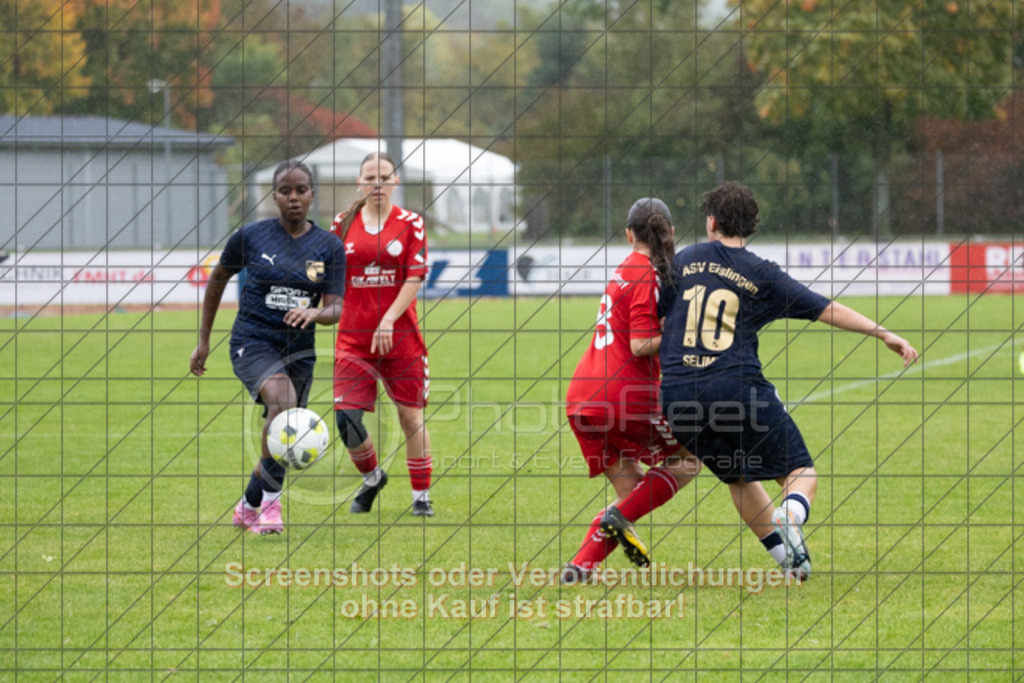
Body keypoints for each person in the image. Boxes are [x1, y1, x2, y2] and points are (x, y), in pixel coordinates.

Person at [659, 182, 919, 578]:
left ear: (711, 222)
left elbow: (657, 317)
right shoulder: (762, 273)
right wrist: (883, 333)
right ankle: (791, 514)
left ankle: (790, 564)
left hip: (677, 396)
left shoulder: (684, 260)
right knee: (800, 472)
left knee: (737, 477)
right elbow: (826, 309)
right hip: (735, 388)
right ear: (752, 226)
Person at [190, 160, 345, 535]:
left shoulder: (329, 246)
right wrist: (204, 339)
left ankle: (247, 506)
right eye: (285, 190)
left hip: (299, 351)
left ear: (312, 194)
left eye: (301, 190)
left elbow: (335, 308)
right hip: (253, 340)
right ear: (274, 196)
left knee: (284, 427)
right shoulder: (250, 237)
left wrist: (314, 312)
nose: (293, 197)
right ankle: (271, 509)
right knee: (283, 404)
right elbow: (217, 280)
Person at [561, 198, 705, 584]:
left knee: (632, 493)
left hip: (582, 397)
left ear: (629, 235)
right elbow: (641, 345)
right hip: (624, 395)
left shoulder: (624, 269)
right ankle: (612, 520)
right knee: (691, 459)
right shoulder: (648, 274)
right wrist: (685, 333)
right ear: (670, 233)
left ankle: (580, 567)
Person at [331, 151, 435, 517]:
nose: (378, 183)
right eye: (370, 177)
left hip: (401, 338)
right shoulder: (341, 223)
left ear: (396, 181)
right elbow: (325, 272)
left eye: (385, 177)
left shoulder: (411, 223)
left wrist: (388, 319)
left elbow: (415, 276)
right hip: (353, 340)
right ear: (359, 182)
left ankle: (421, 498)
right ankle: (373, 477)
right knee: (346, 419)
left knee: (410, 417)